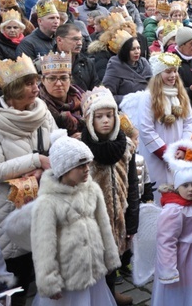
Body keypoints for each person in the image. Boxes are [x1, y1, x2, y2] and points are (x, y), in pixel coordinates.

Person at [30, 130, 120, 306]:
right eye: (80, 165)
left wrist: (110, 257)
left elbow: (104, 226)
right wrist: (48, 280)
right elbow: (44, 244)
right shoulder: (48, 202)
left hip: (94, 269)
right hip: (68, 275)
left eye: (87, 163)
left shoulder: (92, 190)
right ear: (64, 168)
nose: (87, 169)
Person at [0, 54, 57, 305]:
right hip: (11, 208)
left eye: (36, 82)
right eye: (29, 83)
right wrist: (36, 161)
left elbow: (58, 148)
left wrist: (45, 168)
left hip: (45, 203)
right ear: (12, 90)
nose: (36, 88)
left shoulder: (42, 113)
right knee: (18, 280)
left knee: (45, 270)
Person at [79, 86, 139, 306]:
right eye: (99, 116)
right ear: (89, 120)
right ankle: (96, 297)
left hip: (118, 212)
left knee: (114, 254)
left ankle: (111, 292)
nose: (105, 121)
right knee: (96, 257)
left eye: (110, 115)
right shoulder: (81, 149)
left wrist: (133, 220)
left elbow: (133, 184)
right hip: (93, 215)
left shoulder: (126, 147)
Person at [120, 52, 192, 204]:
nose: (172, 75)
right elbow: (146, 129)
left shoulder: (181, 95)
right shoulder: (148, 97)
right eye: (168, 71)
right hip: (157, 157)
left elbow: (189, 123)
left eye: (174, 71)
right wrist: (166, 153)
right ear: (159, 74)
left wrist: (182, 148)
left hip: (178, 156)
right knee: (159, 196)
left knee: (179, 193)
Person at [152, 140, 192, 306]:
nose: (191, 189)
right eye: (185, 185)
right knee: (181, 290)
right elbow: (166, 241)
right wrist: (168, 269)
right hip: (182, 258)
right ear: (177, 187)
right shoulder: (174, 211)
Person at [37, 52, 85, 138]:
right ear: (43, 80)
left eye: (64, 78)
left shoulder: (84, 98)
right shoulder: (36, 106)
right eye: (52, 78)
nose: (59, 83)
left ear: (70, 79)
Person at [102, 31, 152, 104]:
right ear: (125, 51)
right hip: (124, 110)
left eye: (138, 48)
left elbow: (153, 86)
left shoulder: (144, 63)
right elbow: (107, 96)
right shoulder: (115, 66)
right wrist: (130, 99)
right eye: (133, 49)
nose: (137, 52)